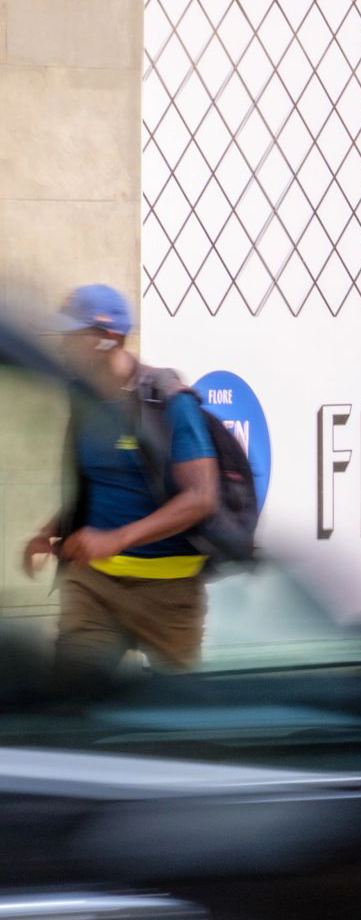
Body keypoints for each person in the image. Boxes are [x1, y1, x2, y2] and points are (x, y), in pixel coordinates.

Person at [22, 284, 218, 678]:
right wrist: (50, 530)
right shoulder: (85, 402)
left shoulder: (168, 401)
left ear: (108, 339)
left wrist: (117, 538)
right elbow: (98, 483)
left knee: (177, 711)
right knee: (71, 700)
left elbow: (201, 497)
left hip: (168, 593)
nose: (63, 346)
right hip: (93, 585)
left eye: (73, 336)